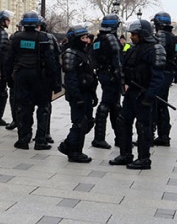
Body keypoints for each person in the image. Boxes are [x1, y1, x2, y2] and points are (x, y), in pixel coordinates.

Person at [109, 19, 165, 170]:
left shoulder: (155, 49)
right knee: (123, 122)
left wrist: (149, 96)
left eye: (134, 34)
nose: (132, 37)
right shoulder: (133, 49)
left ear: (143, 34)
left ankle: (144, 158)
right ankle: (126, 154)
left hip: (144, 94)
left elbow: (158, 77)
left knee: (143, 126)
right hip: (131, 93)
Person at [6, 11, 56, 150]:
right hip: (40, 76)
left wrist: (8, 78)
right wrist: (54, 81)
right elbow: (50, 60)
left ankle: (23, 139)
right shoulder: (43, 37)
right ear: (37, 24)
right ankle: (40, 140)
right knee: (43, 108)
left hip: (21, 76)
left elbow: (9, 59)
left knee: (23, 108)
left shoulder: (16, 38)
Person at [57, 25, 97, 163]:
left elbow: (90, 74)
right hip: (78, 94)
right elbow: (70, 79)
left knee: (89, 122)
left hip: (86, 93)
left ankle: (68, 144)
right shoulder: (70, 54)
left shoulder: (84, 53)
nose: (86, 40)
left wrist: (93, 93)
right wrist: (77, 97)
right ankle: (75, 152)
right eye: (83, 38)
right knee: (80, 123)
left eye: (87, 37)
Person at [91, 14, 123, 149]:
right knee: (109, 104)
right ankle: (99, 138)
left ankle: (120, 137)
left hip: (103, 73)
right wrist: (121, 77)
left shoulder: (98, 40)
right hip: (112, 75)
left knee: (114, 105)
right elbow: (117, 59)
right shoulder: (111, 38)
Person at [152, 11, 177, 146]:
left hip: (161, 73)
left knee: (155, 103)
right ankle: (164, 134)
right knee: (162, 104)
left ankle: (153, 134)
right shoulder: (173, 37)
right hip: (169, 72)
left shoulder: (161, 35)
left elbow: (158, 53)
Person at [36, 16, 62, 144]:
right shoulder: (50, 38)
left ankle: (27, 134)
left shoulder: (20, 36)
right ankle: (44, 134)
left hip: (33, 77)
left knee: (32, 107)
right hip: (44, 77)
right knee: (45, 107)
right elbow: (56, 61)